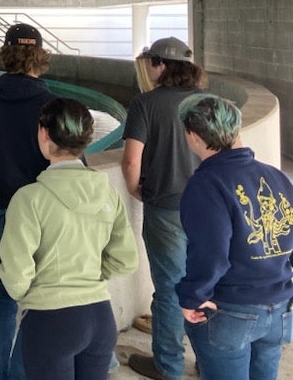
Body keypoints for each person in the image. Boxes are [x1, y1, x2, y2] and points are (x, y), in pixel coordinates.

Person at [0, 97, 139, 380]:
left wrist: (37, 292)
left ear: (43, 134)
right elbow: (126, 260)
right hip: (100, 316)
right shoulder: (107, 193)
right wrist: (89, 276)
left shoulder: (29, 199)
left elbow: (15, 273)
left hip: (50, 319)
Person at [176, 93, 293, 380]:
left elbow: (212, 254)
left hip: (231, 311)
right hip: (279, 310)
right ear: (237, 130)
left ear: (192, 135)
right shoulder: (276, 176)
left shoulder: (206, 184)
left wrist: (192, 297)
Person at [0, 22, 56, 380]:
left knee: (5, 298)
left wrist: (3, 181)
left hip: (4, 209)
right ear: (41, 56)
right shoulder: (51, 105)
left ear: (5, 55)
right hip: (46, 211)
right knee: (40, 297)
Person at [121, 37, 208, 380]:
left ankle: (168, 366)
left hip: (166, 208)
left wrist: (135, 189)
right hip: (210, 210)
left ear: (160, 65)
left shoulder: (145, 104)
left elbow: (131, 160)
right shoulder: (210, 102)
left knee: (171, 289)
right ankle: (209, 361)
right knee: (206, 283)